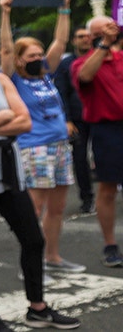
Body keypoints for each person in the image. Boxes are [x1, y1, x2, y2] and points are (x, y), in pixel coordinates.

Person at [0, 30, 80, 332]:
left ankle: (37, 308)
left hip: (10, 173)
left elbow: (25, 121)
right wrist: (3, 117)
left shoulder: (0, 80)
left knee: (33, 240)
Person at [0, 0, 85, 275]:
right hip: (34, 148)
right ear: (21, 60)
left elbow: (60, 40)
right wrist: (5, 12)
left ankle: (52, 258)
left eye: (39, 53)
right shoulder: (15, 80)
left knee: (58, 209)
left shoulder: (46, 75)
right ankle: (31, 263)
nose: (38, 58)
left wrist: (64, 6)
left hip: (60, 146)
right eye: (32, 55)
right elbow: (7, 48)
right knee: (33, 210)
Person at [72, 15, 123, 267]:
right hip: (107, 130)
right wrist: (103, 45)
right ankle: (110, 244)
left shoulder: (121, 59)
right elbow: (86, 77)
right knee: (108, 189)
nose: (110, 31)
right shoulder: (82, 63)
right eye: (103, 29)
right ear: (93, 36)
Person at [53, 25, 94, 213]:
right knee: (79, 158)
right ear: (74, 40)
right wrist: (67, 120)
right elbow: (61, 92)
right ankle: (87, 197)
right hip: (77, 118)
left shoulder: (99, 57)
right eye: (80, 36)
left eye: (88, 36)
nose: (85, 39)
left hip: (99, 116)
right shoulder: (66, 64)